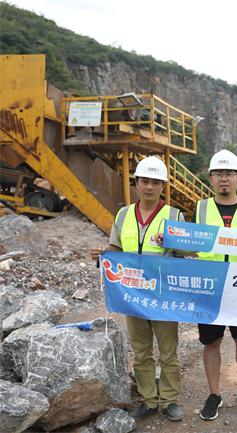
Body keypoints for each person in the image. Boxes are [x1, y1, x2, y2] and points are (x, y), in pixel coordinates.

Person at [90, 156, 184, 422]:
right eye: (145, 181)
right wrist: (102, 254)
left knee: (168, 351)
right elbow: (116, 247)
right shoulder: (123, 215)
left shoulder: (174, 216)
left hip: (163, 295)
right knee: (141, 351)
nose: (150, 187)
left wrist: (174, 241)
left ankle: (169, 400)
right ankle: (149, 399)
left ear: (163, 186)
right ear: (137, 183)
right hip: (133, 295)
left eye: (155, 182)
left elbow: (186, 254)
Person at [194, 149, 237, 421]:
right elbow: (189, 243)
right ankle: (214, 394)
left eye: (229, 173)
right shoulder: (200, 208)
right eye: (219, 174)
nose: (224, 178)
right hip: (209, 285)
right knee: (211, 342)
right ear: (211, 178)